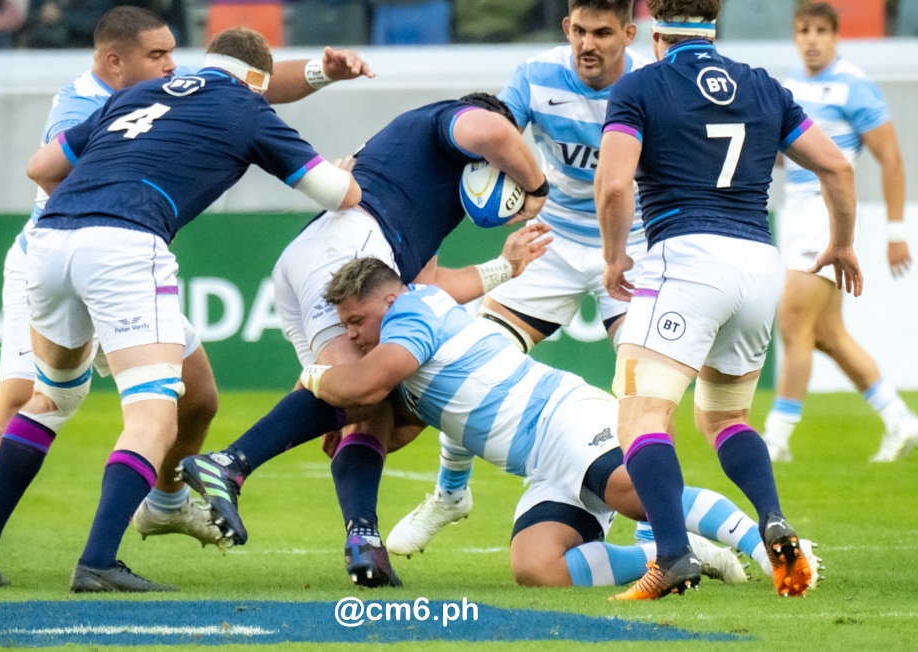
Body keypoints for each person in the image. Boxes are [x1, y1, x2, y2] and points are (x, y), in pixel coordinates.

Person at [0, 8, 375, 584]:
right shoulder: (243, 106)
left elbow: (41, 166)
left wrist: (94, 202)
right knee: (152, 413)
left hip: (51, 240)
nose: (169, 63)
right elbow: (338, 193)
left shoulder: (136, 94)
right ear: (115, 58)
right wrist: (348, 172)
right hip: (121, 248)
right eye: (158, 53)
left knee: (60, 400)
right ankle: (95, 562)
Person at [178, 92, 551, 588]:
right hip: (344, 252)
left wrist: (505, 267)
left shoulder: (429, 185)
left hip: (324, 255)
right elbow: (496, 132)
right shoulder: (446, 120)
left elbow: (424, 286)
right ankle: (229, 463)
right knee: (363, 388)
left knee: (376, 408)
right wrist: (537, 187)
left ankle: (364, 543)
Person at [296, 256, 822, 590]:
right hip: (543, 465)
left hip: (564, 419)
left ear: (390, 302)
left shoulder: (417, 321)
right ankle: (675, 554)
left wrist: (315, 377)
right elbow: (438, 421)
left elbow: (362, 386)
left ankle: (769, 549)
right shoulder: (408, 355)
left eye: (355, 322)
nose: (352, 336)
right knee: (536, 567)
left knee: (635, 495)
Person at [595, 0, 861, 600]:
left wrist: (614, 257)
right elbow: (838, 168)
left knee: (641, 416)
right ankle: (773, 518)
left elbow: (613, 185)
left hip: (687, 258)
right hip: (758, 264)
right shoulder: (764, 86)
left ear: (655, 30)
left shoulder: (640, 86)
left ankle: (671, 557)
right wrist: (842, 243)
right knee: (723, 418)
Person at [387, 0, 653, 559]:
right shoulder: (536, 75)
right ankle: (450, 494)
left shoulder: (651, 85)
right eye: (580, 30)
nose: (588, 44)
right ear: (566, 27)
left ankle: (655, 527)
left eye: (603, 33)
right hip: (550, 242)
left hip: (629, 247)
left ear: (629, 33)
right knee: (464, 358)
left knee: (646, 385)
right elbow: (483, 139)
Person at [762, 2, 918, 464]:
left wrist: (895, 231)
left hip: (827, 211)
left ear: (835, 36)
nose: (811, 39)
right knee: (828, 333)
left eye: (820, 31)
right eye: (803, 30)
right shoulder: (789, 86)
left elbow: (891, 157)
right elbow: (784, 155)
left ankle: (775, 438)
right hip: (798, 211)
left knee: (792, 320)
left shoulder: (854, 86)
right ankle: (901, 420)